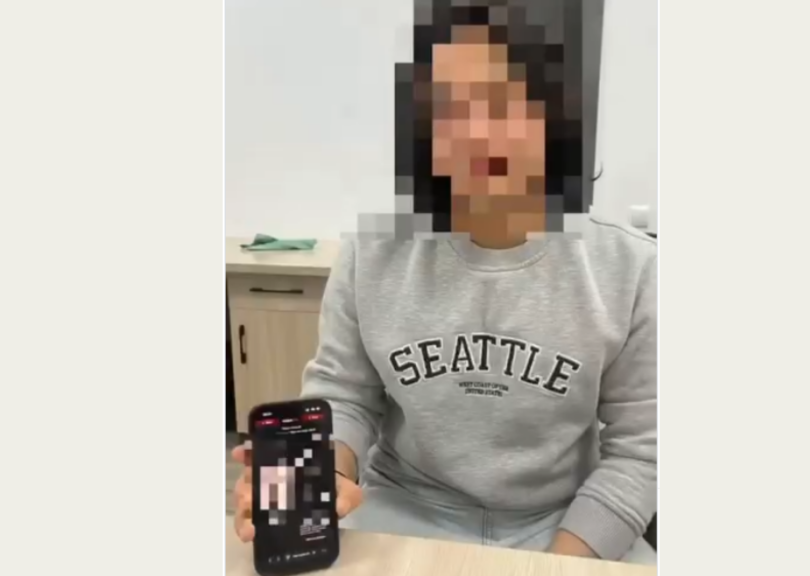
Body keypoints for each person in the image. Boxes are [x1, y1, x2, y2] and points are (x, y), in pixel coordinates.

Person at [232, 1, 657, 564]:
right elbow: (347, 396)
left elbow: (642, 452)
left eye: (507, 103)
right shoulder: (373, 252)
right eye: (452, 107)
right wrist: (320, 473)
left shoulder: (630, 268)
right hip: (403, 508)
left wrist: (555, 564)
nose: (478, 132)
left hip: (560, 522)